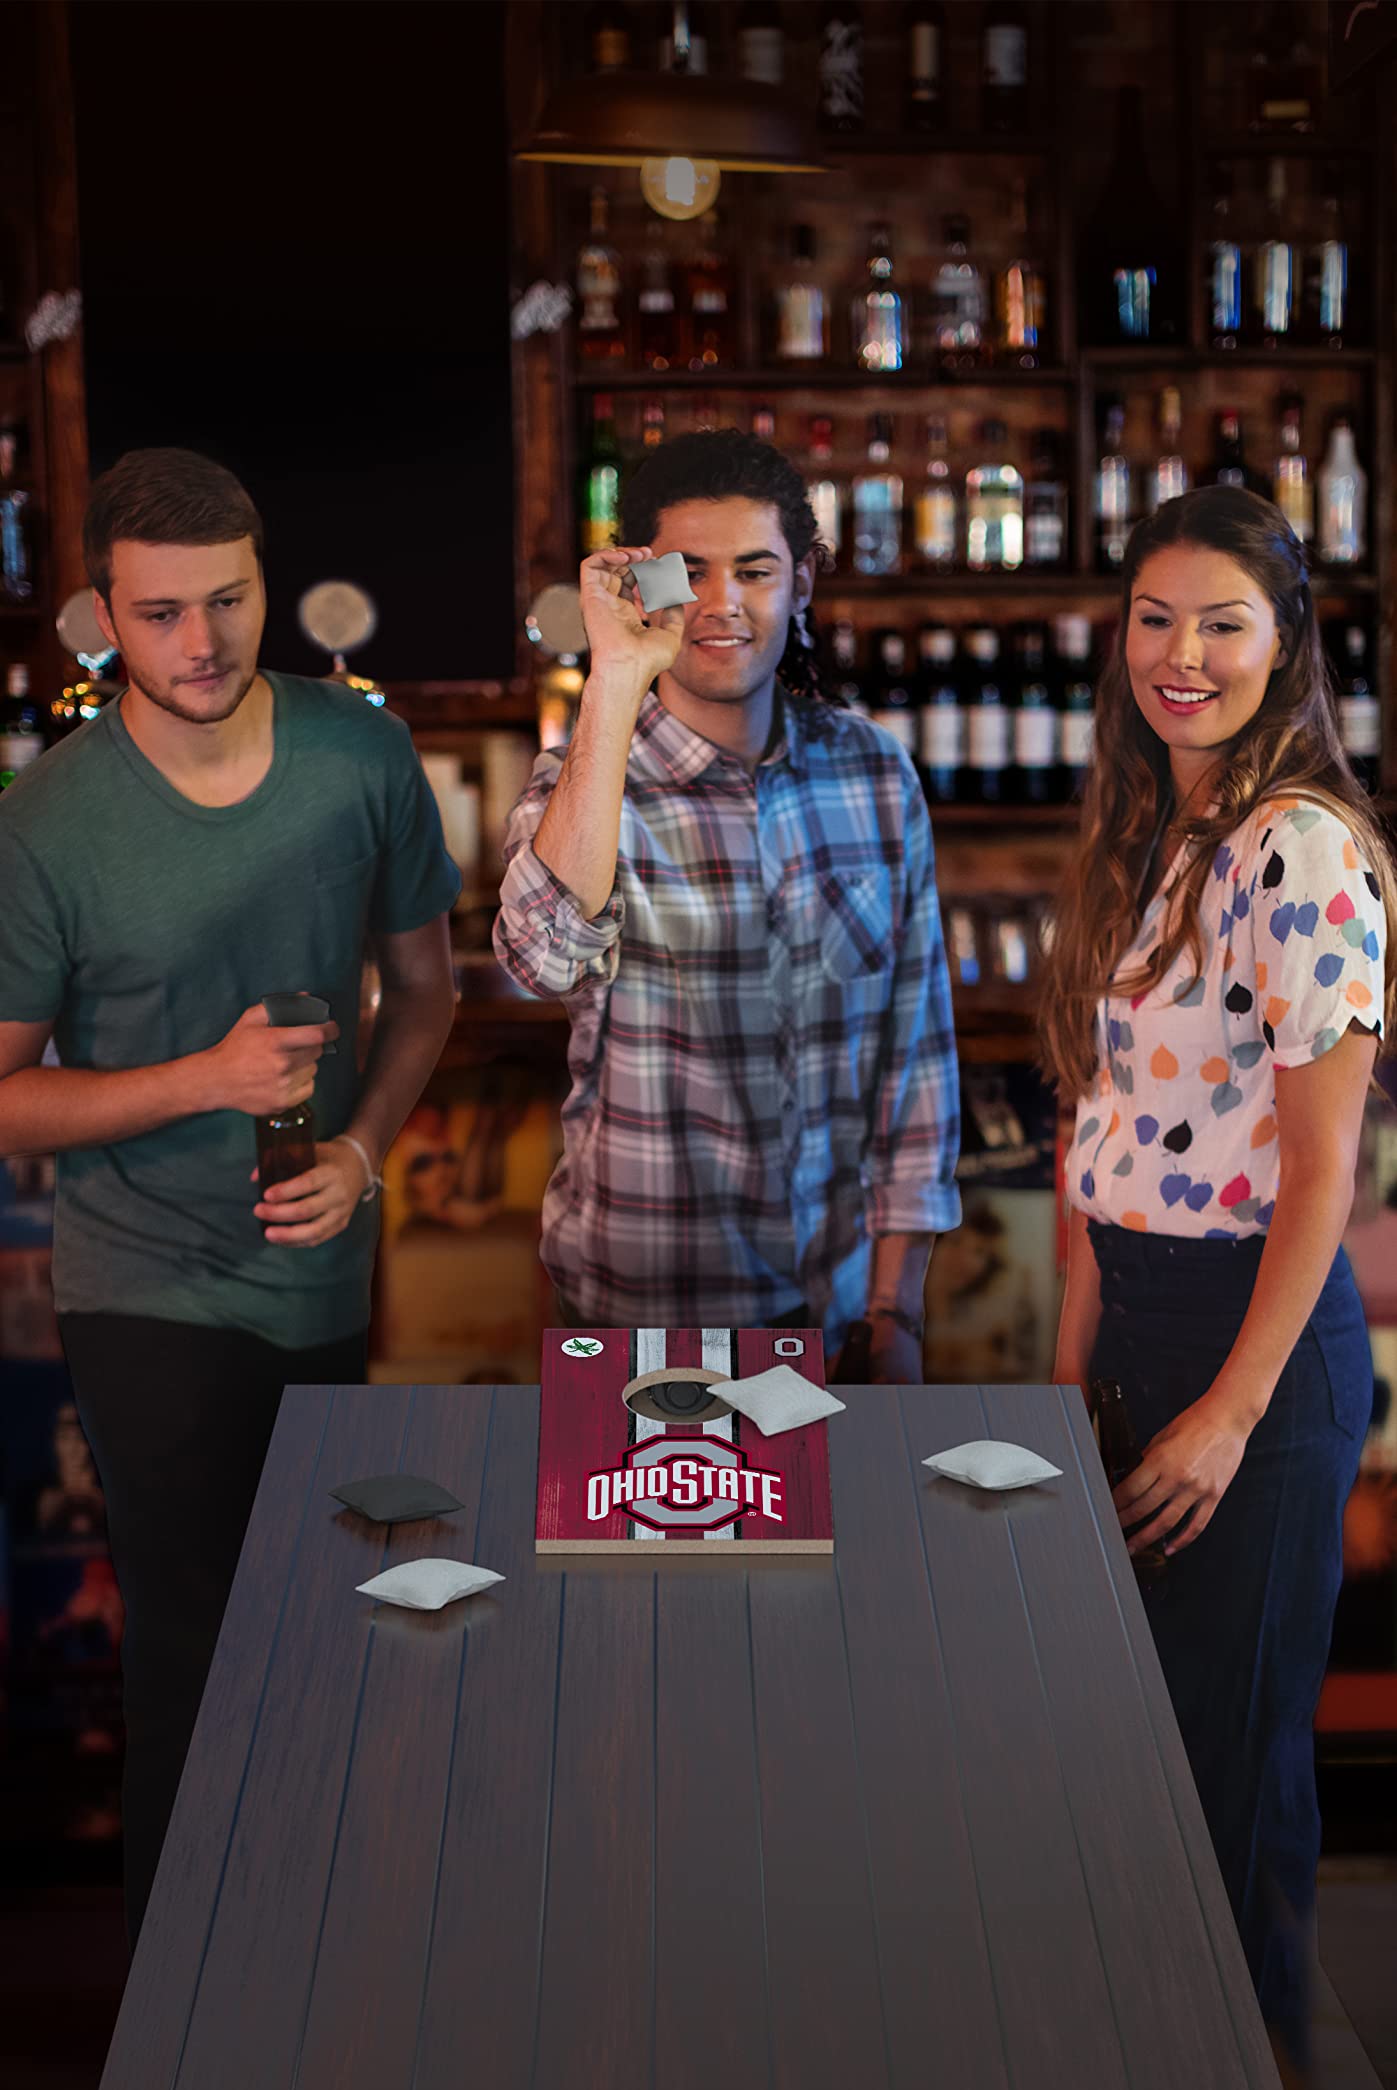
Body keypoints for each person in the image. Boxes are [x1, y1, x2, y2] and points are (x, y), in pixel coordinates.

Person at [0, 446, 460, 1945]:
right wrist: (204, 1078)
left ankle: (322, 1995)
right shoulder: (48, 821)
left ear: (268, 582)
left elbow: (428, 989)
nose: (198, 644)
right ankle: (183, 2056)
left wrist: (364, 1152)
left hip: (320, 1266)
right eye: (156, 614)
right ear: (101, 617)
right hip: (143, 1279)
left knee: (328, 1643)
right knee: (198, 1661)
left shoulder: (359, 756)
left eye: (227, 600)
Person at [1043, 486, 1394, 2072]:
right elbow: (1101, 1120)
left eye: (1222, 623)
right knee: (1135, 1767)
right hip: (1142, 1324)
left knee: (1230, 1782)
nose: (1181, 655)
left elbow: (1327, 1172)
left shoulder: (1298, 845)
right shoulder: (1162, 828)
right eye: (1154, 618)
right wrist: (1070, 1371)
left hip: (1250, 1351)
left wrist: (1223, 1418)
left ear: (1287, 644)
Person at [493, 428, 961, 1380]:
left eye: (753, 570)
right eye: (687, 573)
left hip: (833, 1315)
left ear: (802, 585)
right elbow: (538, 961)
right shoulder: (581, 788)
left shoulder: (872, 774)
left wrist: (897, 1312)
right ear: (641, 587)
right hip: (633, 1313)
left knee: (835, 1536)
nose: (720, 604)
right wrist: (615, 673)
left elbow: (914, 1056)